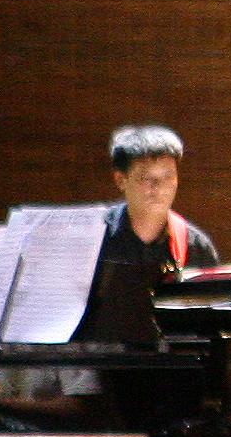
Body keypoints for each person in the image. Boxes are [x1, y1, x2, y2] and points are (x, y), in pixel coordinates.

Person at [83, 123, 219, 334]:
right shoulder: (92, 237)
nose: (159, 188)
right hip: (99, 360)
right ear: (121, 180)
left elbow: (209, 322)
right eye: (148, 179)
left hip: (169, 363)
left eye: (168, 177)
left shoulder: (196, 246)